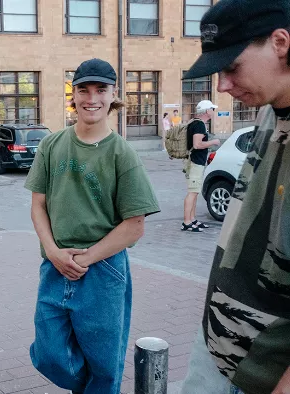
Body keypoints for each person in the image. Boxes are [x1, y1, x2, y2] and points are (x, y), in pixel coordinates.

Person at [25, 58, 160, 394]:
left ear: (113, 95)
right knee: (49, 354)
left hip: (103, 270)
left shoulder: (122, 154)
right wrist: (55, 253)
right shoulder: (52, 145)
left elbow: (134, 226)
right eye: (84, 89)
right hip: (56, 265)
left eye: (101, 89)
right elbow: (37, 205)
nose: (92, 98)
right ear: (74, 95)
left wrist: (84, 259)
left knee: (103, 365)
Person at [179, 0, 290, 393]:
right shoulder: (269, 109)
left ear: (280, 42)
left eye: (232, 67)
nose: (223, 85)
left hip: (271, 371)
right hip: (217, 341)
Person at [182, 100, 221, 232]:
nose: (213, 112)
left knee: (195, 191)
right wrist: (212, 142)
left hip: (193, 161)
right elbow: (197, 144)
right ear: (207, 111)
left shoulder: (195, 122)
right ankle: (187, 222)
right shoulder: (199, 125)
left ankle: (192, 219)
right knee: (192, 192)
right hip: (195, 162)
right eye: (212, 109)